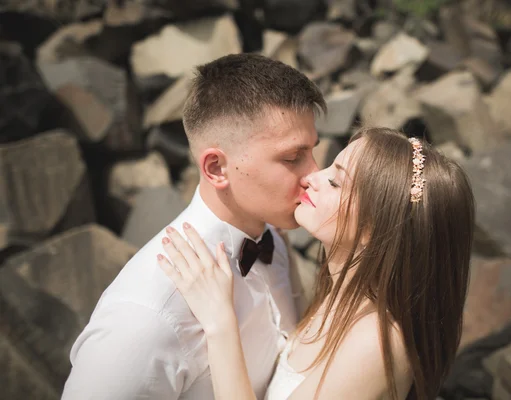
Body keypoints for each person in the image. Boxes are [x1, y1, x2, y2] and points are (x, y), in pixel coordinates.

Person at [61, 54, 326, 399]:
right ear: (216, 168)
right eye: (293, 157)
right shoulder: (145, 315)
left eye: (313, 152)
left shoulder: (274, 239)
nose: (316, 174)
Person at [158, 127, 476, 400]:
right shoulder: (341, 294)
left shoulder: (376, 343)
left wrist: (219, 322)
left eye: (336, 182)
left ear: (375, 228)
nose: (312, 177)